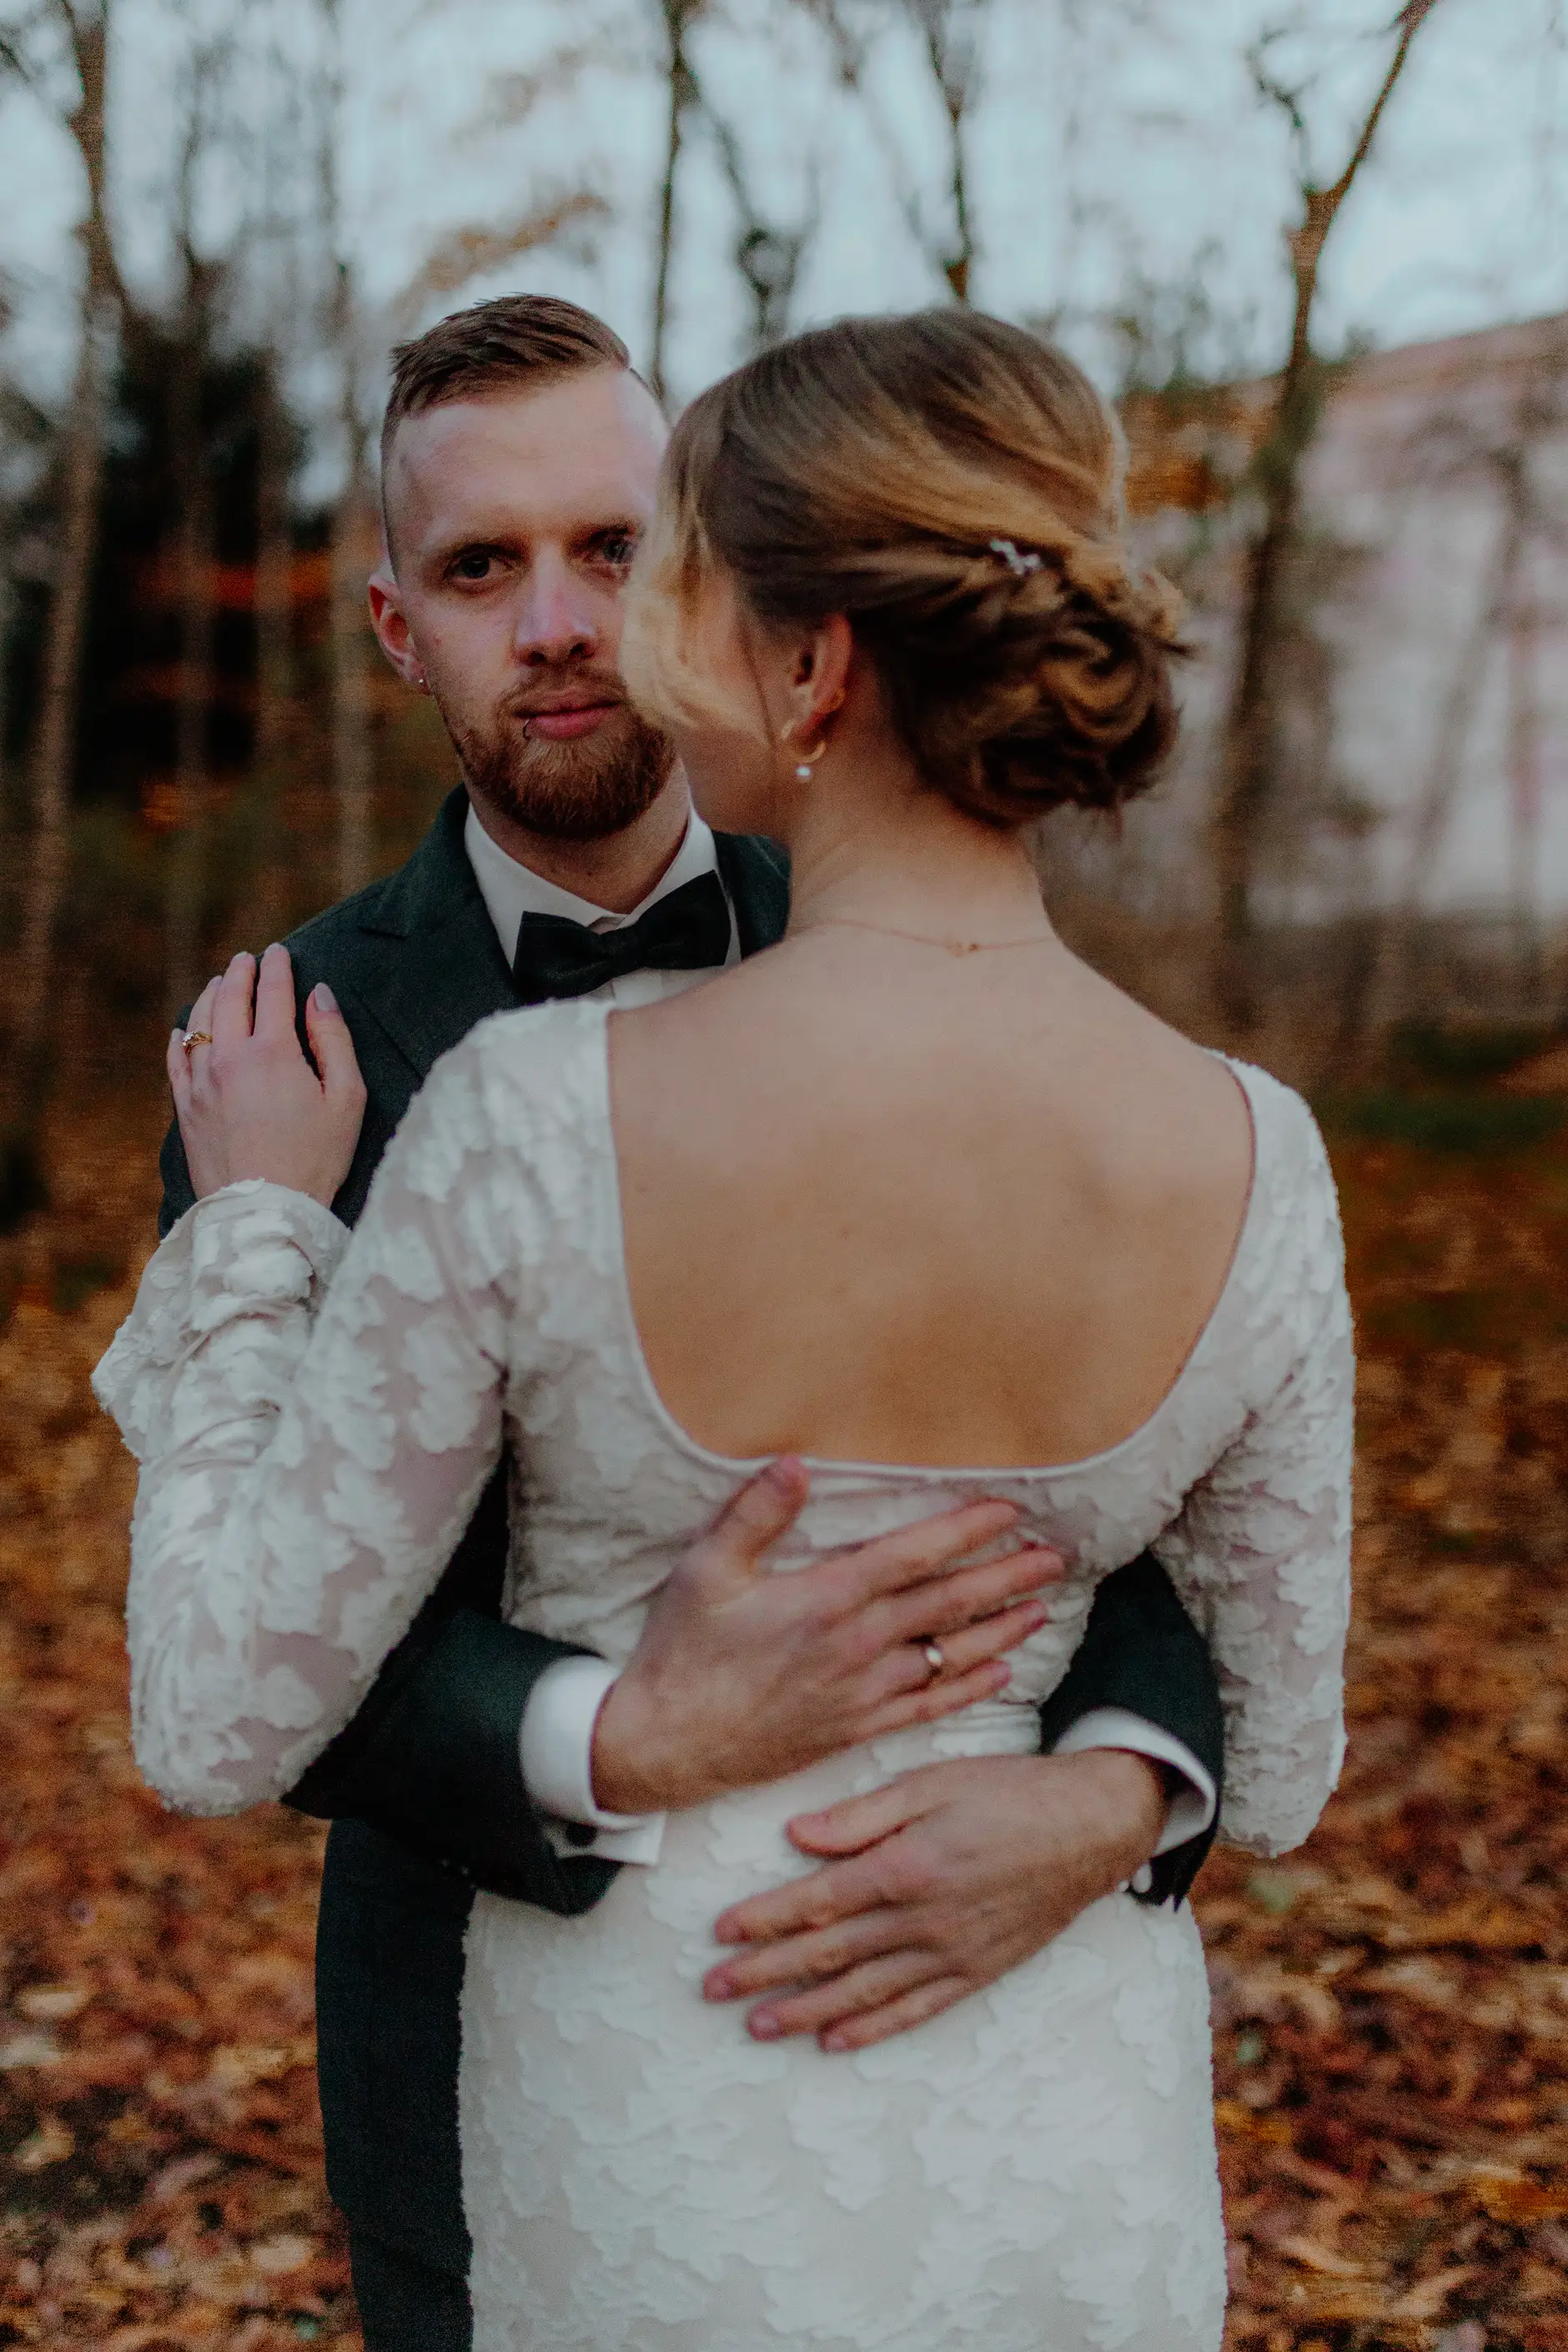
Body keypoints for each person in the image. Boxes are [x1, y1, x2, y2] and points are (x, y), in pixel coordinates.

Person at [95, 306, 1346, 2349]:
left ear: (731, 594)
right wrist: (611, 1735)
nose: (569, 622)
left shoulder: (945, 943)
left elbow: (1108, 1518)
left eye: (615, 546)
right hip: (513, 2027)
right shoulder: (285, 1050)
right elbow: (300, 1650)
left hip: (1011, 1978)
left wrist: (1122, 1787)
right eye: (487, 569)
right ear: (397, 625)